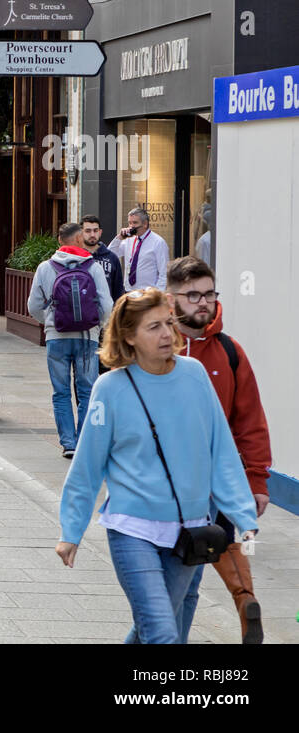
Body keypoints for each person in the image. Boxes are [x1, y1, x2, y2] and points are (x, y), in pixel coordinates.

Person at [56, 288, 258, 644]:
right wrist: (71, 530)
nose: (167, 334)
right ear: (129, 336)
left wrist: (242, 512)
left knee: (154, 625)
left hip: (189, 530)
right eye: (153, 327)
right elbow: (88, 464)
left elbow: (221, 450)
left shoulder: (195, 375)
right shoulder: (109, 388)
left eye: (168, 323)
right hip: (133, 529)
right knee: (163, 631)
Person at [167, 256, 272, 644]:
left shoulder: (230, 351)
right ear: (170, 297)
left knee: (188, 581)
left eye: (209, 294)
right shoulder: (154, 344)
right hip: (158, 485)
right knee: (167, 583)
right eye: (192, 295)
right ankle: (243, 597)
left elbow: (251, 421)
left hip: (209, 486)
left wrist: (257, 481)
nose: (204, 303)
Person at [27, 222, 114, 458]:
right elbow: (107, 305)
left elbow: (33, 305)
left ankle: (68, 443)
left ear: (59, 241)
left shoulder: (45, 268)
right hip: (88, 337)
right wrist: (98, 326)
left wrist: (49, 322)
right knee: (87, 390)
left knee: (61, 391)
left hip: (57, 337)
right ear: (78, 240)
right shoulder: (93, 267)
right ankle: (84, 440)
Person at [110, 207, 169, 291]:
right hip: (129, 291)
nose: (131, 226)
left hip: (147, 294)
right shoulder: (128, 239)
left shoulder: (158, 242)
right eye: (129, 223)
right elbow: (111, 254)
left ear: (145, 224)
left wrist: (157, 295)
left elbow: (164, 273)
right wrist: (119, 238)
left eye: (135, 223)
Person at [80, 214, 125, 302]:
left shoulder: (112, 258)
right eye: (88, 231)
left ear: (100, 232)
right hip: (82, 312)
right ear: (81, 233)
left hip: (106, 312)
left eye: (95, 230)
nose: (92, 234)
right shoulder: (76, 257)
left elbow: (118, 291)